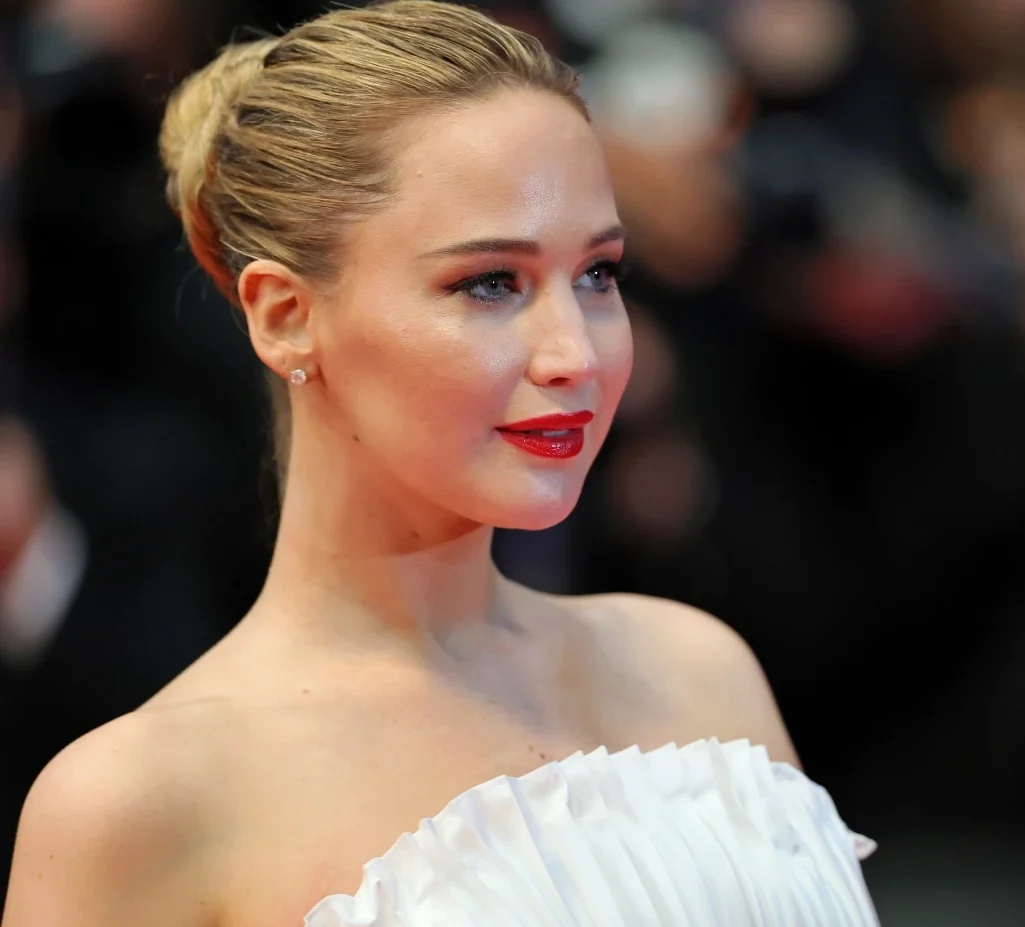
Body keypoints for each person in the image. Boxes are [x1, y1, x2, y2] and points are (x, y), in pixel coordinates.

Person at [1, 3, 878, 925]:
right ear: (284, 316)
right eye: (489, 283)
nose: (575, 352)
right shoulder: (141, 803)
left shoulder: (698, 668)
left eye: (598, 274)